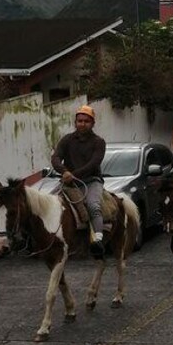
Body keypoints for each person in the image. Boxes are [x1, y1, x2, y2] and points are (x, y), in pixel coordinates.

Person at [51, 105, 108, 252]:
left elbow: (94, 163)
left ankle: (98, 240)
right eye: (79, 121)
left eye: (86, 121)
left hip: (91, 181)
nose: (82, 124)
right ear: (75, 122)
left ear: (92, 123)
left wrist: (73, 174)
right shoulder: (67, 140)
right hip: (69, 182)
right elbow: (56, 157)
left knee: (93, 206)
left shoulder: (99, 142)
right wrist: (64, 171)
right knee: (49, 203)